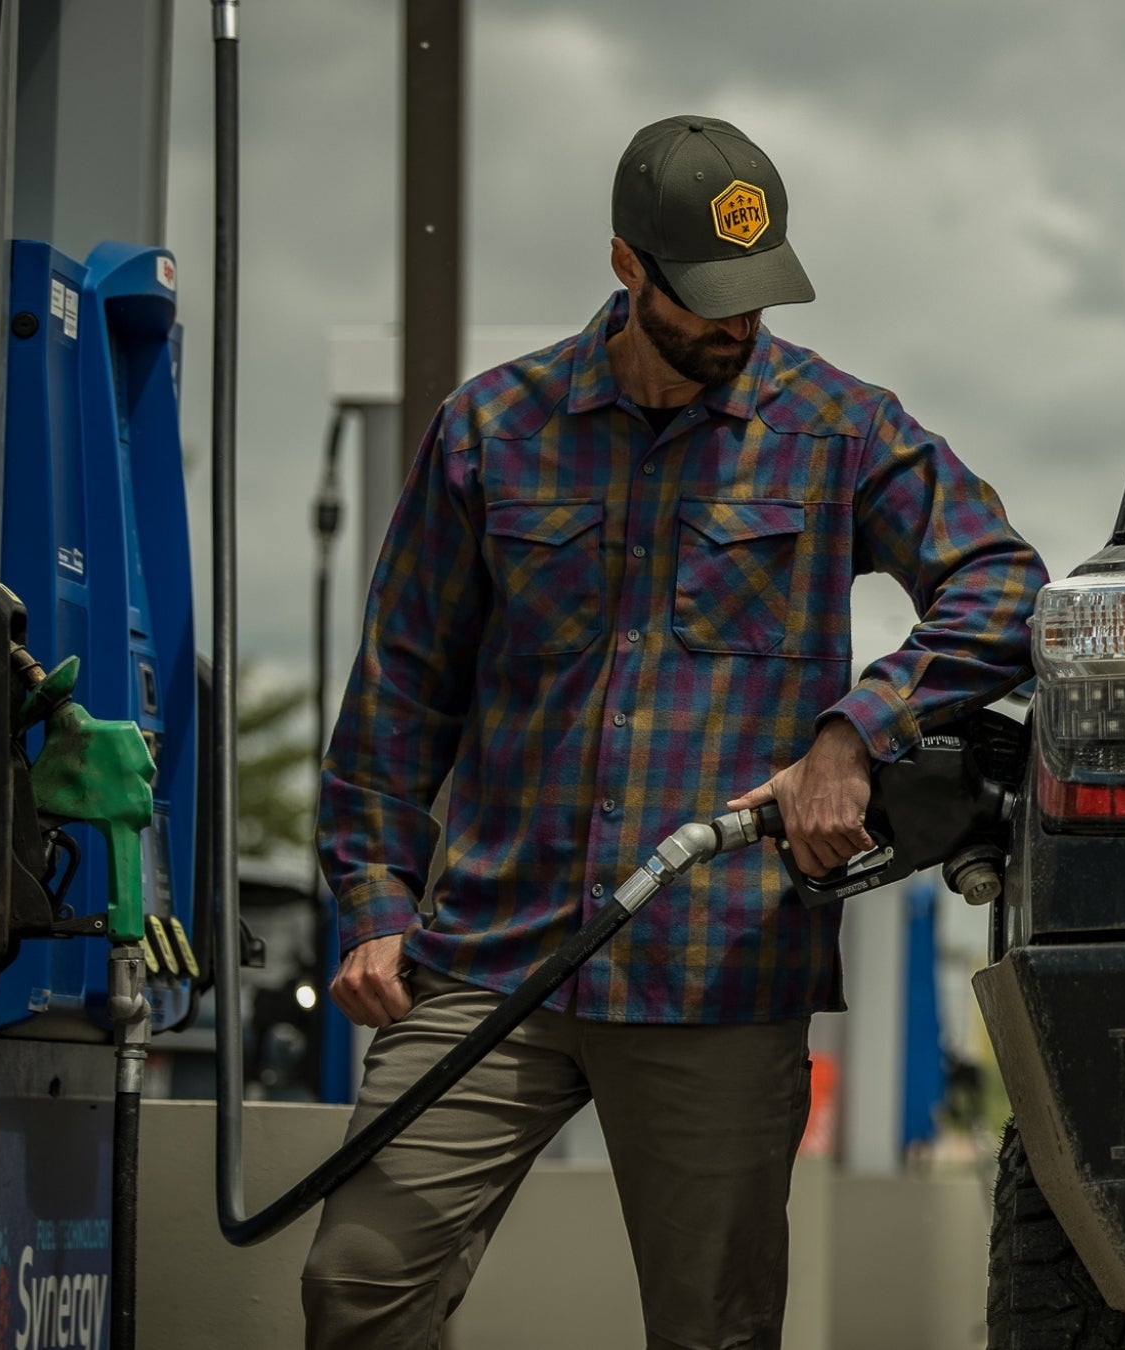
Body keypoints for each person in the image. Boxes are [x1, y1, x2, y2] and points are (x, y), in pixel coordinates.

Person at [303, 114, 1047, 1350]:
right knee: (358, 1283)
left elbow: (1007, 587)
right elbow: (397, 695)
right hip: (493, 956)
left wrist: (855, 731)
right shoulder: (493, 432)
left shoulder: (839, 428)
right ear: (625, 266)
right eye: (704, 299)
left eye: (755, 298)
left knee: (715, 1331)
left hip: (717, 969)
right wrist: (375, 903)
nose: (735, 327)